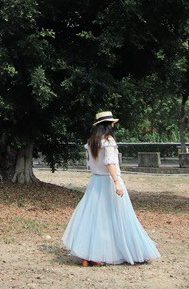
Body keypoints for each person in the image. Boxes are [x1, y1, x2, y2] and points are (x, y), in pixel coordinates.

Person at [62, 110, 161, 266]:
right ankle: (122, 252)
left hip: (96, 182)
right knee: (117, 217)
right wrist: (117, 182)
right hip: (107, 181)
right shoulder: (108, 141)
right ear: (109, 125)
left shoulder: (92, 142)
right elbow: (110, 163)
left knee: (94, 218)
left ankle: (88, 255)